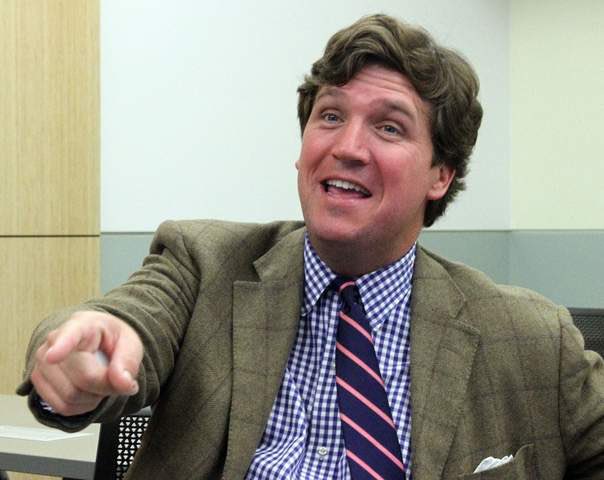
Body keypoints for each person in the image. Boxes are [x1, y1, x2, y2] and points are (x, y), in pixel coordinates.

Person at [17, 14, 603, 480]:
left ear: (440, 175)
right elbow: (128, 321)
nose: (347, 146)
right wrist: (81, 353)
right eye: (330, 116)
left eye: (389, 126)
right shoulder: (203, 263)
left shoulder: (531, 340)